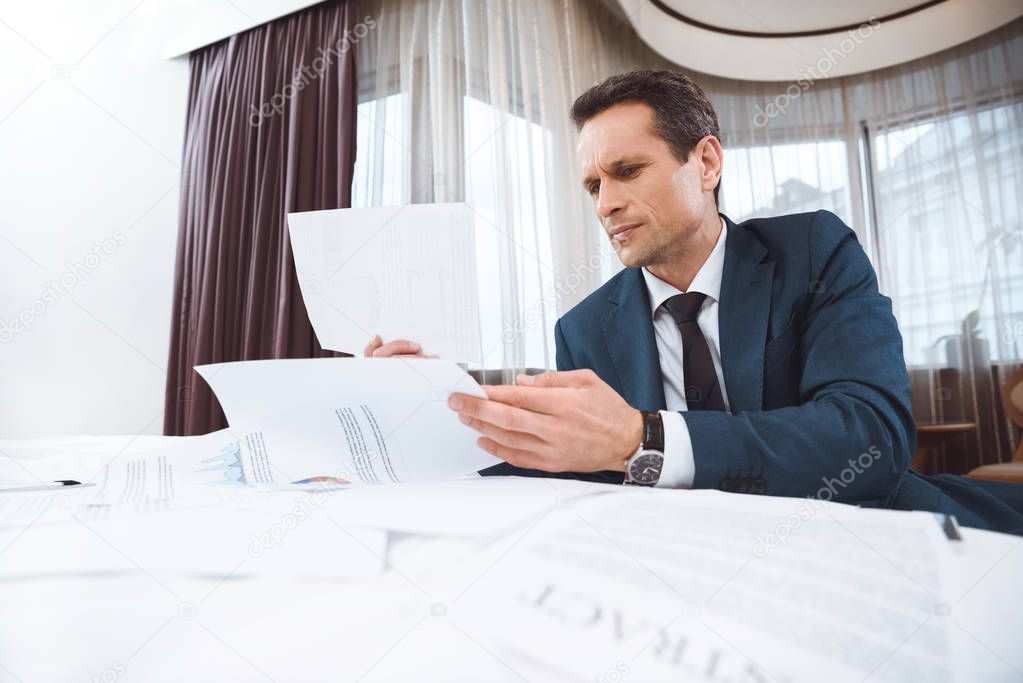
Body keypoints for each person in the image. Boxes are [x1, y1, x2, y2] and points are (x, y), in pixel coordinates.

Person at [366, 70, 1023, 535]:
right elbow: (571, 467)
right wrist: (430, 393)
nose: (605, 204)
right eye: (591, 184)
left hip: (867, 537)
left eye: (627, 172)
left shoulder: (814, 252)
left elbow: (870, 440)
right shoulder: (584, 326)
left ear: (705, 162)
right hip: (684, 569)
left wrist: (642, 438)